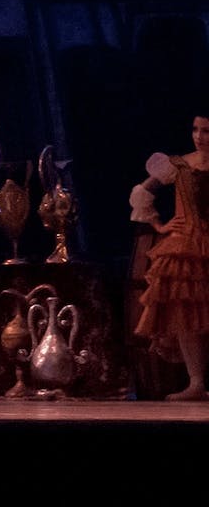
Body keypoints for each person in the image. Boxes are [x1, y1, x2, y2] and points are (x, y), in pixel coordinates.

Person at [129, 111, 209, 400]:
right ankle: (196, 381)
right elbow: (141, 192)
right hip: (186, 244)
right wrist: (159, 225)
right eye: (196, 129)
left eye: (206, 131)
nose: (199, 136)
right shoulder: (179, 166)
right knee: (187, 315)